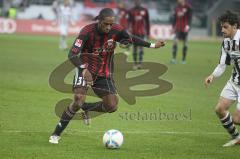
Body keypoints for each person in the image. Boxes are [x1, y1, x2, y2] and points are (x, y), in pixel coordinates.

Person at [49, 8, 166, 144]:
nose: (108, 27)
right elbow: (72, 54)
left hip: (104, 73)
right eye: (106, 24)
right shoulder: (87, 32)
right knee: (78, 99)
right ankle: (56, 134)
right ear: (99, 21)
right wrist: (83, 69)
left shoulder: (116, 30)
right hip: (85, 69)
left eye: (111, 24)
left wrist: (152, 45)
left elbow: (130, 38)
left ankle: (87, 108)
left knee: (112, 106)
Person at [204, 11, 240, 147]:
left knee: (237, 119)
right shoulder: (226, 43)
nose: (222, 30)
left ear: (235, 26)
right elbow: (222, 64)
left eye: (225, 27)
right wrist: (212, 76)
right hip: (235, 80)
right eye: (221, 27)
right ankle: (237, 137)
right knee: (220, 109)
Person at [128, 0, 150, 70]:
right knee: (134, 49)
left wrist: (148, 32)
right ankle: (135, 64)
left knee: (141, 49)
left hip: (142, 33)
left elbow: (147, 22)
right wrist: (129, 29)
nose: (137, 1)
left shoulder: (145, 10)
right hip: (134, 33)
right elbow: (129, 21)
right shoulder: (131, 10)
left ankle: (140, 63)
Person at [170, 0, 192, 64]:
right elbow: (174, 18)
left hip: (185, 28)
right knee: (175, 42)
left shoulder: (188, 7)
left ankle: (183, 60)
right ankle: (173, 59)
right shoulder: (176, 7)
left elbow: (190, 18)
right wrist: (173, 28)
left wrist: (188, 26)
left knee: (185, 44)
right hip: (178, 28)